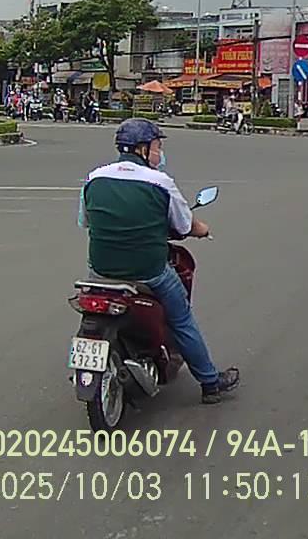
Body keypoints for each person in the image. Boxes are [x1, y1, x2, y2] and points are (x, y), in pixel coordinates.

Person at [79, 119, 240, 404]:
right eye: (157, 146)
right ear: (142, 149)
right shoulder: (160, 182)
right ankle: (210, 382)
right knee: (181, 319)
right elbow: (185, 225)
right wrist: (203, 230)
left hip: (101, 269)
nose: (160, 153)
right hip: (149, 270)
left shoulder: (94, 177)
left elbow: (86, 221)